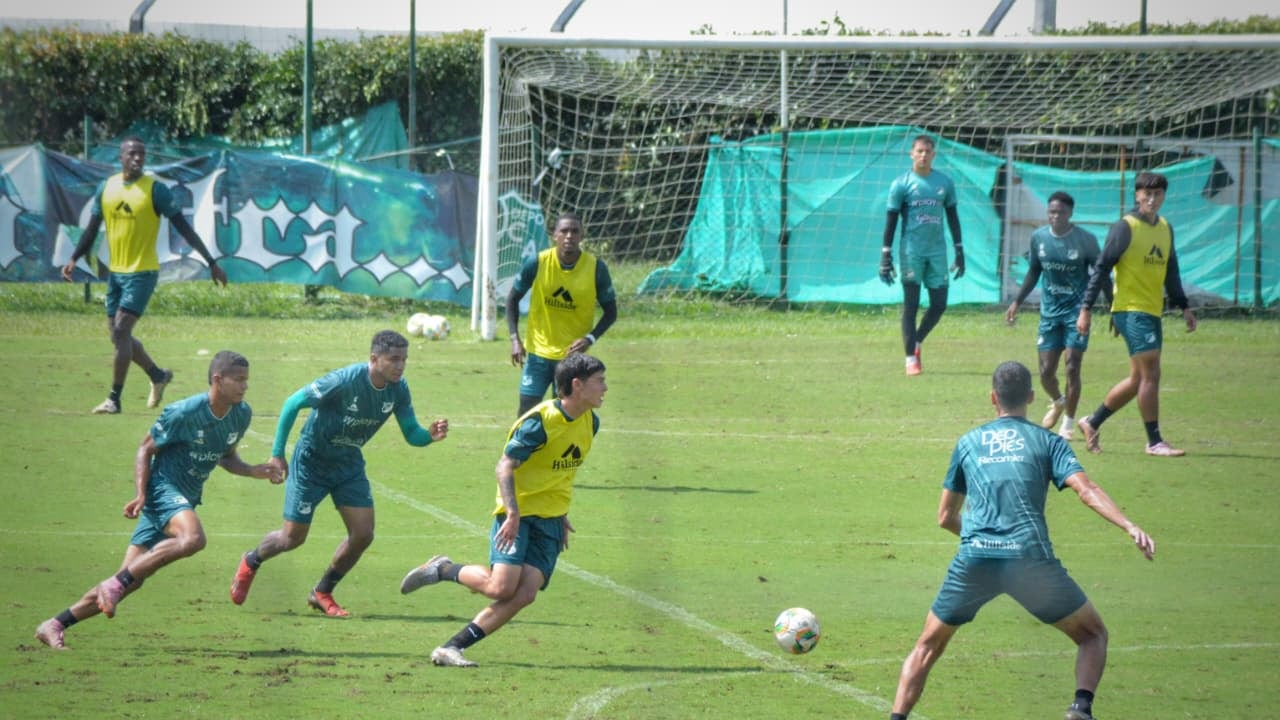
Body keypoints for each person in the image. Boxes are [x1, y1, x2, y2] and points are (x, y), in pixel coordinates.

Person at [888, 361, 1156, 720]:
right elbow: (1086, 490)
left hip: (975, 559)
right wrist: (1127, 524)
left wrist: (982, 541)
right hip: (1029, 562)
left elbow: (945, 517)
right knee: (1093, 635)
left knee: (926, 647)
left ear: (992, 398)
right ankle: (1080, 707)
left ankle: (896, 718)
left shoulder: (968, 442)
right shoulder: (1047, 442)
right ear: (1031, 397)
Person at [34, 351, 281, 650]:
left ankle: (55, 623)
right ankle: (114, 584)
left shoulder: (240, 414)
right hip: (163, 490)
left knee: (128, 581)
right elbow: (145, 449)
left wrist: (255, 471)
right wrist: (141, 492)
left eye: (246, 380)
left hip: (183, 499)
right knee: (193, 539)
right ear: (218, 380)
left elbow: (226, 458)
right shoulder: (184, 412)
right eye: (238, 380)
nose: (244, 387)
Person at [398, 352, 607, 667]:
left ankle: (451, 648)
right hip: (517, 514)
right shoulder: (540, 422)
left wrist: (561, 513)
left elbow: (558, 469)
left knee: (525, 594)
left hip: (551, 518)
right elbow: (504, 467)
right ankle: (442, 569)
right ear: (577, 385)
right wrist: (512, 514)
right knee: (501, 587)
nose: (606, 388)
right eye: (600, 381)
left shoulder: (591, 421)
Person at [229, 330, 449, 617]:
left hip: (348, 465)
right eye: (394, 359)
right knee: (291, 538)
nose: (400, 366)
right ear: (374, 359)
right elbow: (292, 403)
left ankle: (322, 591)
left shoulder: (399, 389)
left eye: (404, 359)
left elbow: (411, 434)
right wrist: (277, 453)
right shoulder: (343, 381)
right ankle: (251, 561)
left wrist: (428, 436)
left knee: (363, 534)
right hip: (311, 462)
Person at [62, 137, 229, 415]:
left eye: (141, 154)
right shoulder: (108, 187)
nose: (138, 158)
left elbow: (184, 228)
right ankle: (157, 375)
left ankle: (114, 399)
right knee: (118, 338)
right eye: (132, 154)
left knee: (121, 330)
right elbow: (92, 228)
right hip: (115, 273)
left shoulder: (155, 190)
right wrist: (74, 258)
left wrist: (211, 262)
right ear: (121, 157)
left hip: (143, 272)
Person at [1075, 171, 1198, 457]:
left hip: (1151, 310)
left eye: (1158, 194)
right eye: (1147, 194)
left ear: (1164, 196)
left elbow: (1171, 270)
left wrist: (1184, 306)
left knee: (1138, 378)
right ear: (1137, 195)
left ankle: (1091, 421)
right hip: (1130, 310)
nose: (1152, 199)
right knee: (1152, 371)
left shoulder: (1165, 228)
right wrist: (1086, 309)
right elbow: (1102, 268)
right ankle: (1154, 441)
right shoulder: (1125, 227)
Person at [1005, 191, 1102, 441]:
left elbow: (1099, 276)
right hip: (1049, 314)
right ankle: (1058, 402)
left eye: (1060, 212)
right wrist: (1017, 301)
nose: (1055, 216)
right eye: (1052, 212)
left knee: (1072, 367)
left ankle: (1068, 424)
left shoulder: (1085, 240)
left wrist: (1111, 308)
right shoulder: (1038, 238)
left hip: (1076, 313)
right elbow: (1034, 271)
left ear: (1070, 213)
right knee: (1046, 373)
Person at [506, 211, 617, 416]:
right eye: (564, 231)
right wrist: (515, 339)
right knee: (526, 412)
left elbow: (611, 312)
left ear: (582, 236)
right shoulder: (538, 263)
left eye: (575, 231)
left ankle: (556, 449)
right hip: (538, 354)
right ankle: (520, 449)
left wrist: (589, 338)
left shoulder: (596, 268)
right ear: (554, 235)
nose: (569, 236)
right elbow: (512, 299)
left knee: (562, 415)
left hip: (572, 359)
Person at [879, 134, 964, 376]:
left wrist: (960, 251)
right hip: (911, 251)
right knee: (911, 304)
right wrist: (885, 255)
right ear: (911, 154)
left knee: (939, 305)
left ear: (933, 155)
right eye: (919, 151)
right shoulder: (901, 184)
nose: (923, 155)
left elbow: (953, 218)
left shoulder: (944, 183)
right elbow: (891, 220)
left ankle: (916, 342)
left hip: (937, 252)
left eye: (928, 151)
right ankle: (909, 359)